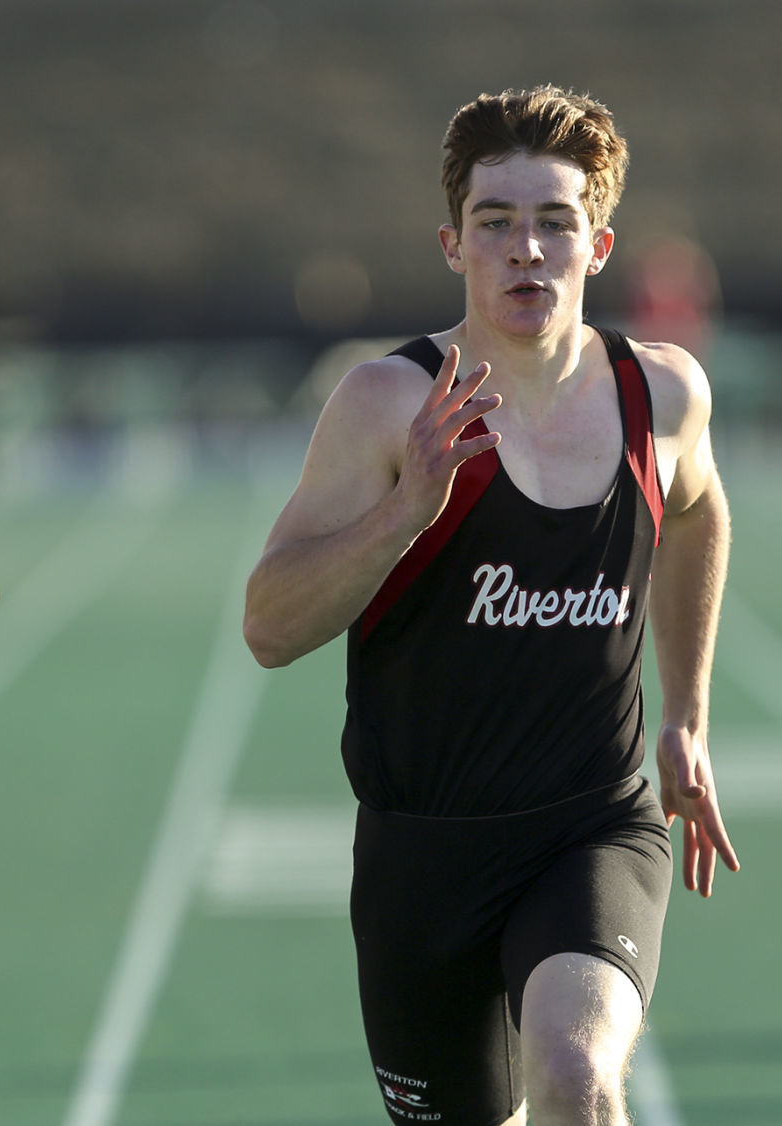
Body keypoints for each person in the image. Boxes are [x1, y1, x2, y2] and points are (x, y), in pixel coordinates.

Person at [243, 86, 738, 1126]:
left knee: (577, 1075)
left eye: (555, 222)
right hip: (422, 853)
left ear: (597, 245)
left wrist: (686, 714)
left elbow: (696, 517)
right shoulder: (387, 404)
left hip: (590, 826)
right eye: (496, 222)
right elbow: (270, 625)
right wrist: (404, 514)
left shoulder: (662, 396)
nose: (527, 249)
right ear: (451, 243)